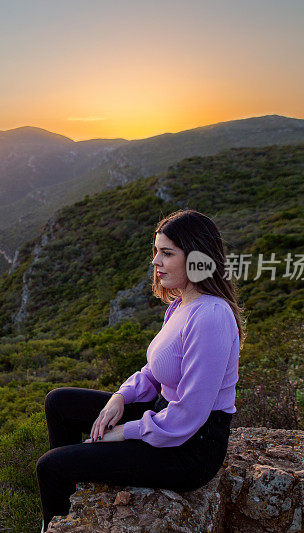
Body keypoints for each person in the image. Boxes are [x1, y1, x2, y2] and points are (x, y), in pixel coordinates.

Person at [35, 209, 246, 532]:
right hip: (165, 416)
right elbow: (153, 371)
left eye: (166, 253)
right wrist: (120, 397)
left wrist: (123, 433)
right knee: (59, 402)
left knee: (51, 466)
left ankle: (58, 519)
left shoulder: (211, 317)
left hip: (191, 449)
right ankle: (72, 497)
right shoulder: (181, 305)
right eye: (155, 251)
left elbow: (189, 414)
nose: (155, 262)